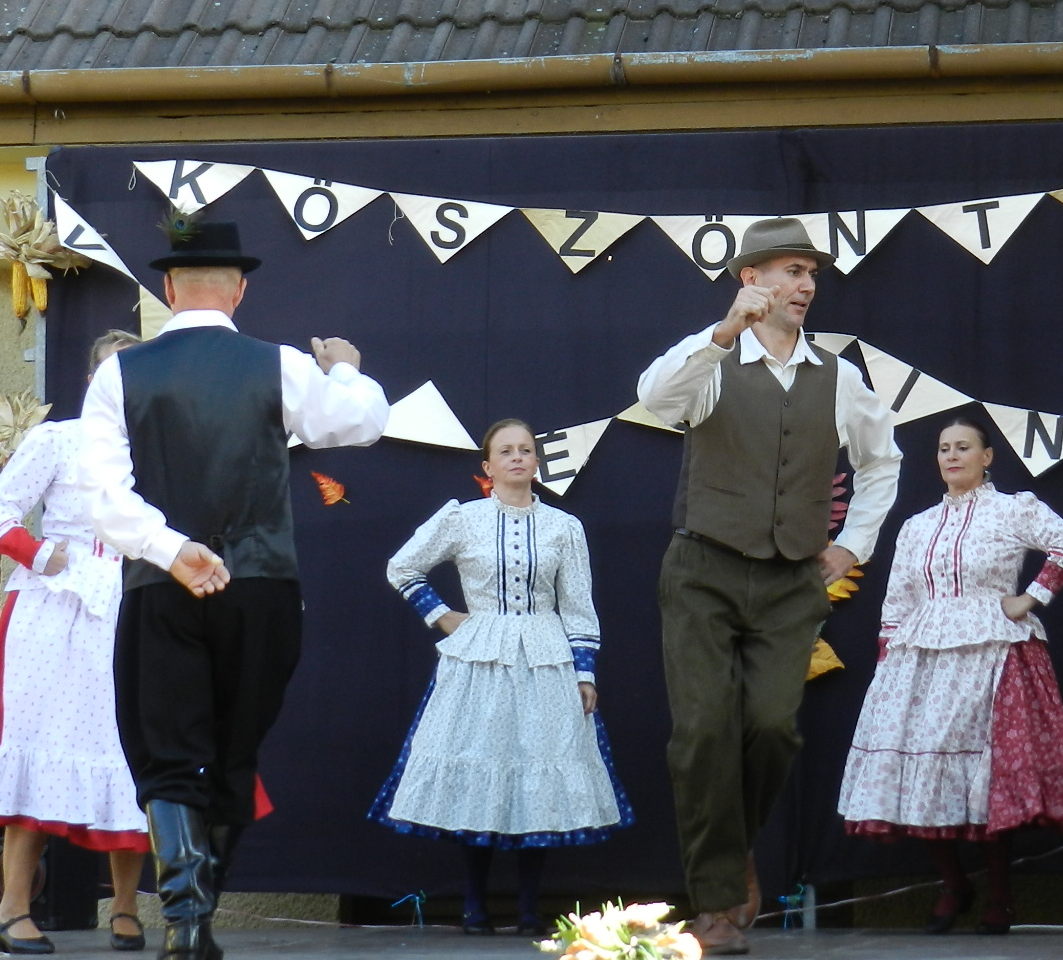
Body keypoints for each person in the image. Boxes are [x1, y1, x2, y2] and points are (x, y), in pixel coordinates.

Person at [81, 219, 389, 960]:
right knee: (233, 750)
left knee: (167, 753)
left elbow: (102, 495)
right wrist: (346, 369)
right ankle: (195, 919)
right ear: (240, 290)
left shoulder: (120, 374)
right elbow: (362, 421)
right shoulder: (280, 365)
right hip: (260, 585)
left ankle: (187, 923)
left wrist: (172, 550)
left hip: (162, 586)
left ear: (167, 288)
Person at [638, 216, 902, 956]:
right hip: (704, 571)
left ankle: (729, 852)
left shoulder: (838, 377)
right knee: (702, 733)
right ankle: (716, 902)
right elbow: (656, 399)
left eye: (811, 273)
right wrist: (722, 333)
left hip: (791, 581)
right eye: (792, 270)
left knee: (772, 728)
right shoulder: (712, 360)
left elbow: (882, 461)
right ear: (751, 279)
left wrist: (851, 545)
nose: (806, 284)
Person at [837, 416, 1063, 934]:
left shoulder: (1012, 509)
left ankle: (1000, 897)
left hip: (992, 651)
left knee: (988, 776)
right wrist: (889, 665)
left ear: (987, 458)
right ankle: (952, 884)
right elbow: (897, 600)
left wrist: (1030, 598)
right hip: (920, 660)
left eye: (963, 447)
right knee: (920, 773)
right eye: (944, 449)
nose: (952, 456)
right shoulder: (917, 526)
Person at [369, 418, 631, 935]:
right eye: (506, 451)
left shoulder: (564, 527)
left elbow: (578, 606)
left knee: (537, 778)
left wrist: (585, 672)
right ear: (487, 466)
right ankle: (474, 905)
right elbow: (402, 567)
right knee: (478, 774)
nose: (517, 457)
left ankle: (530, 908)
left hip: (545, 658)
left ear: (536, 462)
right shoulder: (463, 519)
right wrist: (441, 615)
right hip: (480, 657)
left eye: (525, 450)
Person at [0, 329, 149, 956]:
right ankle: (11, 908)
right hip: (55, 606)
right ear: (93, 380)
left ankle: (125, 907)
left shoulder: (160, 446)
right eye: (113, 372)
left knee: (130, 748)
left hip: (133, 602)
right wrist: (42, 554)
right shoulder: (57, 439)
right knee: (40, 744)